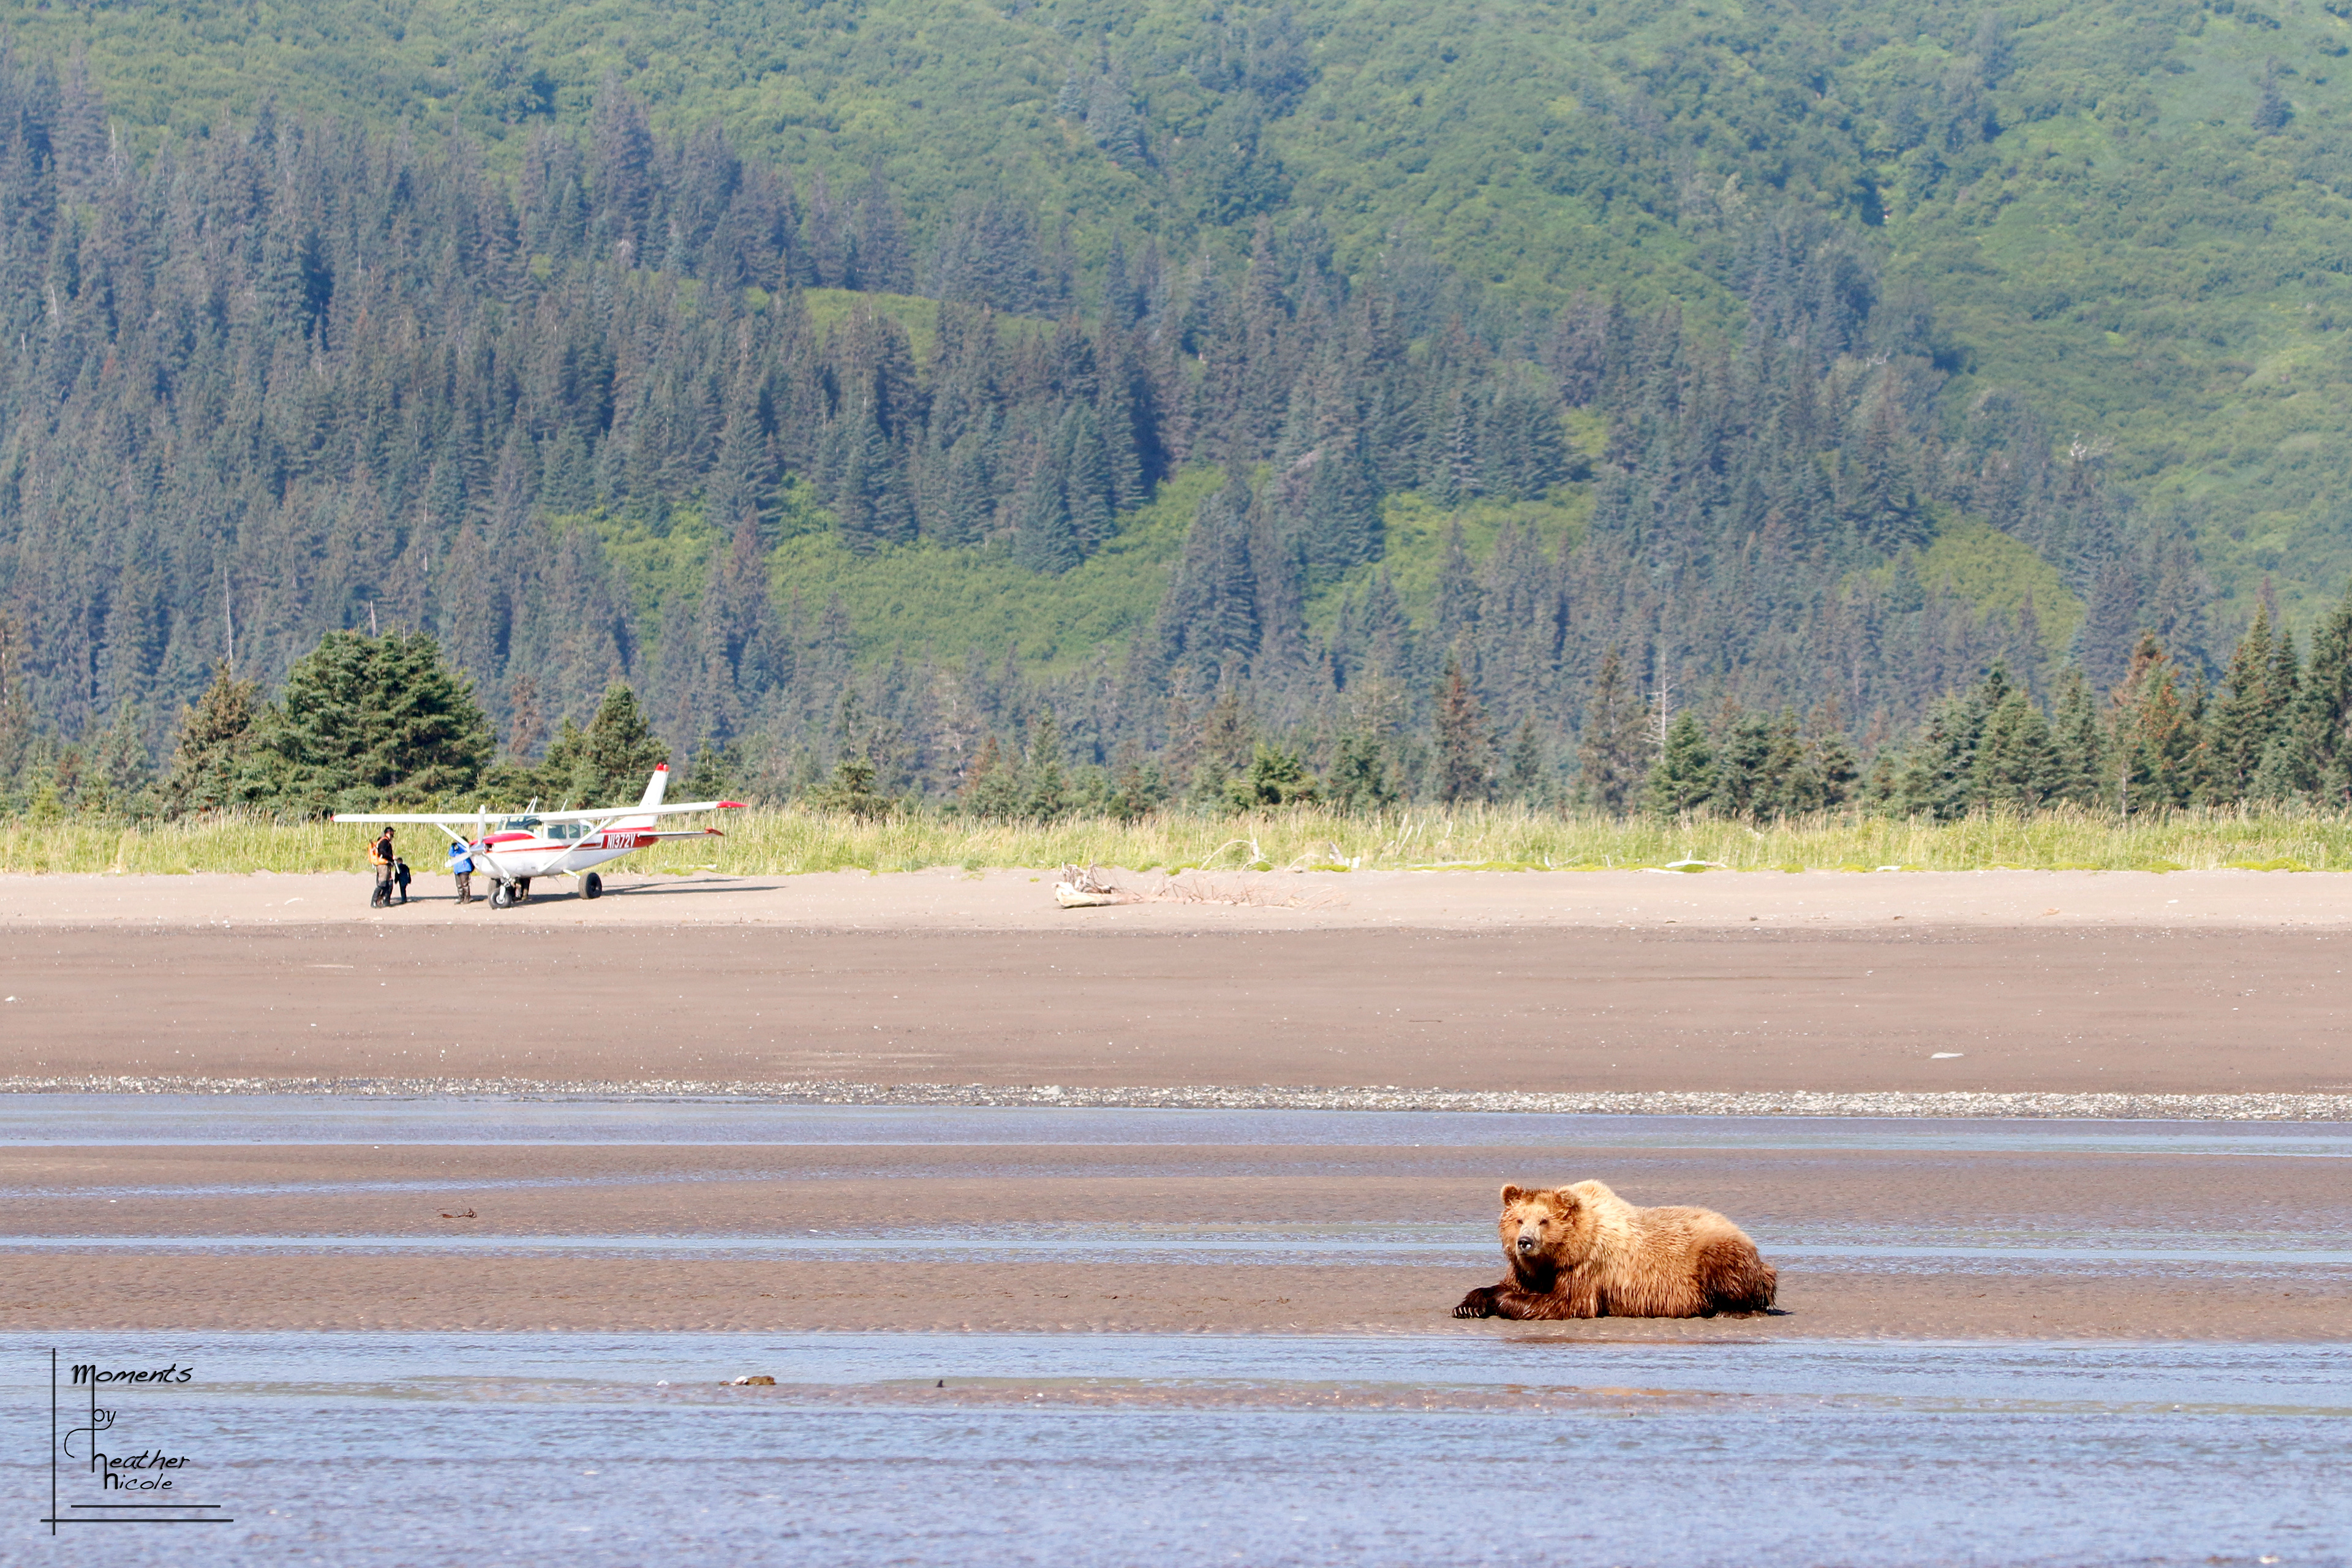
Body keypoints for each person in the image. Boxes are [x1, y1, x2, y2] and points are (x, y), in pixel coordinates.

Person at [369, 828, 396, 908]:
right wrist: (391, 857)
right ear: (389, 833)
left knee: (389, 882)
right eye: (392, 833)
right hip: (383, 865)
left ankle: (386, 901)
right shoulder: (384, 841)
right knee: (382, 883)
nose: (393, 835)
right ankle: (374, 902)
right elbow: (382, 851)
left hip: (386, 864)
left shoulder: (385, 841)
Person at [448, 838, 475, 905]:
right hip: (457, 870)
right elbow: (451, 853)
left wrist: (460, 844)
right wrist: (453, 846)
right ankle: (461, 897)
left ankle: (467, 898)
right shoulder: (457, 851)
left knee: (465, 885)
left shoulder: (466, 849)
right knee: (459, 885)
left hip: (464, 869)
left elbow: (466, 849)